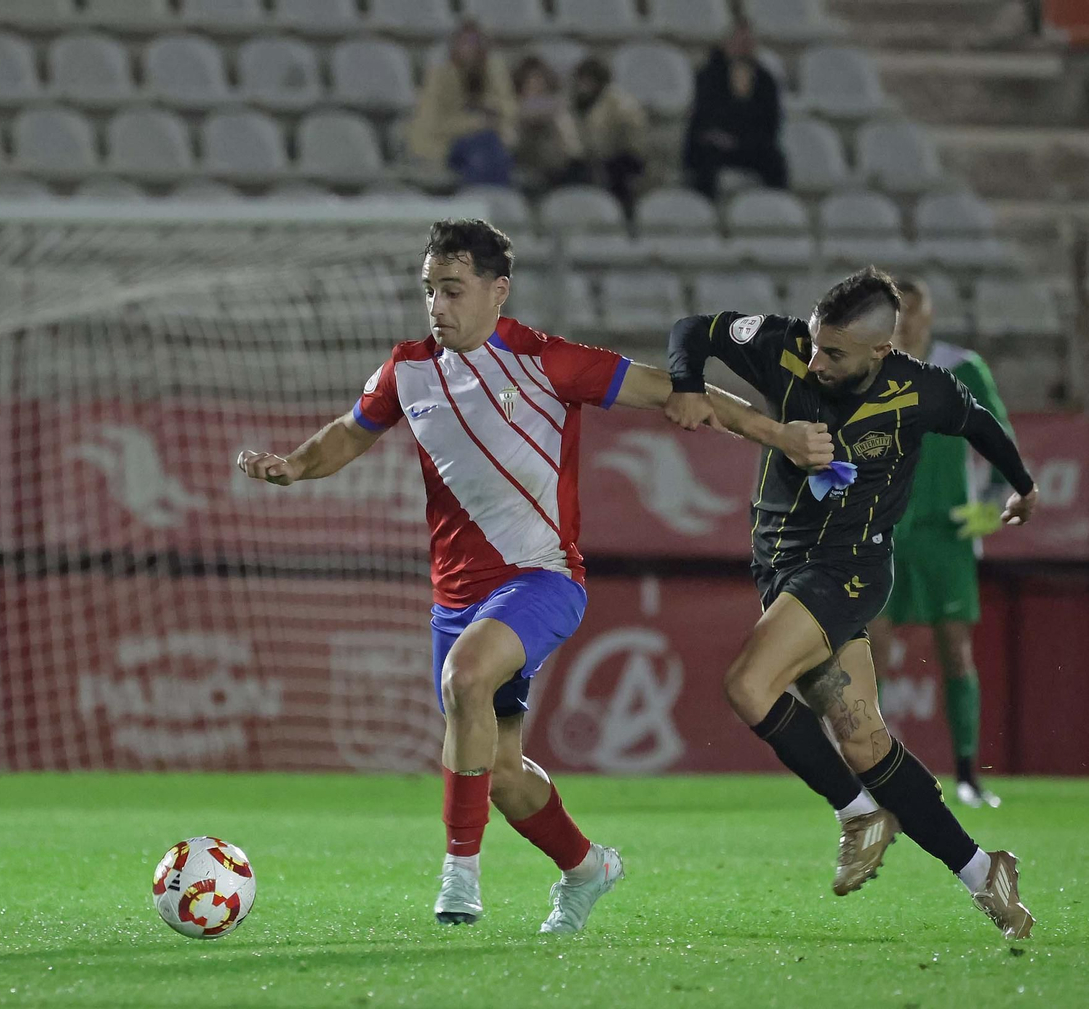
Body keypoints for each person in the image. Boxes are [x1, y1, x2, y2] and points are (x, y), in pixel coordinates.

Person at [238, 219, 830, 933]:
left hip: (542, 578)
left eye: (453, 290)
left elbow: (678, 388)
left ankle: (460, 876)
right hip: (455, 598)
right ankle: (587, 869)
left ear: (498, 291)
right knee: (503, 773)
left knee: (465, 678)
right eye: (430, 290)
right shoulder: (409, 369)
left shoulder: (546, 360)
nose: (438, 305)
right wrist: (295, 466)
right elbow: (348, 431)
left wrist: (783, 435)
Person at [663, 267, 1039, 939]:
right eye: (813, 342)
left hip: (849, 569)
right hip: (781, 568)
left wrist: (1022, 486)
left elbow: (978, 422)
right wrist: (688, 384)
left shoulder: (919, 389)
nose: (814, 360)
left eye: (832, 353)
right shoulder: (783, 346)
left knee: (749, 685)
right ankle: (986, 872)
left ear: (879, 351)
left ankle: (857, 813)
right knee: (864, 738)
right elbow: (696, 330)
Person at [869, 279, 1014, 810]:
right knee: (873, 654)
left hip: (945, 534)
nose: (907, 321)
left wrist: (995, 503)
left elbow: (1001, 441)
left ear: (929, 316)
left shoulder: (964, 368)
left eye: (915, 311)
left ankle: (969, 775)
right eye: (897, 312)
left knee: (955, 650)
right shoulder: (866, 369)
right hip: (882, 531)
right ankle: (876, 780)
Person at [681, 19, 788, 200]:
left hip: (749, 144)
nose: (743, 49)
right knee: (705, 160)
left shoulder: (765, 79)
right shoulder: (708, 75)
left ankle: (776, 209)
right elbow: (704, 116)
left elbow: (771, 120)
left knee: (775, 161)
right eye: (739, 43)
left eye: (747, 44)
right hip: (714, 143)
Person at [408, 21, 518, 187]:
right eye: (465, 42)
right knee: (482, 150)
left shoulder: (492, 72)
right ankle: (480, 199)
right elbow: (433, 125)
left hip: (488, 140)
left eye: (476, 43)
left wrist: (488, 103)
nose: (470, 48)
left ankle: (495, 200)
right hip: (445, 145)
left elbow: (509, 110)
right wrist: (476, 122)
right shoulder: (439, 77)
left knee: (493, 148)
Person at [567, 57, 648, 214]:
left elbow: (632, 143)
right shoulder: (574, 103)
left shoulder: (620, 104)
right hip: (588, 160)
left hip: (621, 161)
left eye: (588, 81)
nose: (583, 87)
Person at [511, 56, 584, 191]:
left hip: (555, 158)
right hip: (522, 154)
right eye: (531, 82)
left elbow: (561, 105)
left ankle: (575, 161)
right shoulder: (514, 104)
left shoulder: (557, 104)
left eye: (540, 81)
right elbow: (523, 114)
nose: (537, 86)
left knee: (562, 121)